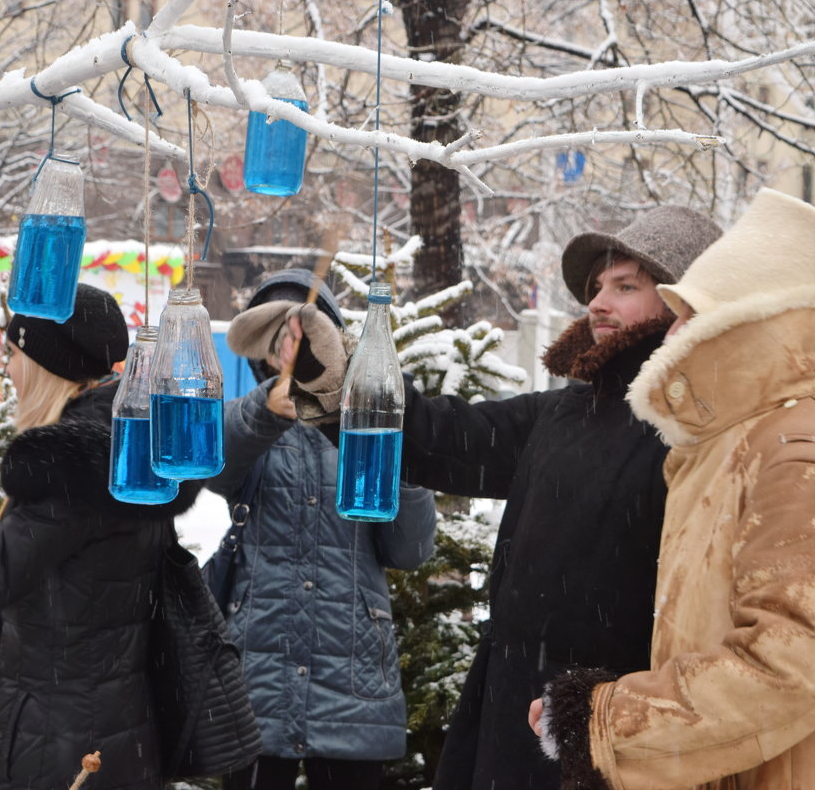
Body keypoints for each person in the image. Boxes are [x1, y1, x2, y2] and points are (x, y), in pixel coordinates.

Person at [281, 206, 722, 789]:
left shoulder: (699, 430)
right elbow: (443, 437)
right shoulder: (564, 411)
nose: (597, 304)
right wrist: (338, 380)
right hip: (511, 706)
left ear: (684, 303)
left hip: (608, 729)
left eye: (626, 286)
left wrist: (615, 712)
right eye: (597, 287)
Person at [531, 188, 815, 789]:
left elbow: (793, 662)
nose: (671, 334)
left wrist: (608, 720)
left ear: (747, 325)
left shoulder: (793, 449)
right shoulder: (721, 445)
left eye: (690, 315)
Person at [0, 284, 201, 790]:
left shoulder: (71, 472)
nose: (7, 369)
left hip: (59, 742)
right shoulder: (129, 452)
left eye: (13, 354)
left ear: (43, 364)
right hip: (117, 733)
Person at [206, 269, 438, 790]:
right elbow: (213, 466)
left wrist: (405, 454)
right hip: (257, 682)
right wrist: (265, 414)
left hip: (353, 680)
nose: (291, 347)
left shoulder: (366, 418)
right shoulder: (249, 422)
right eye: (277, 336)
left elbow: (411, 549)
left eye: (305, 333)